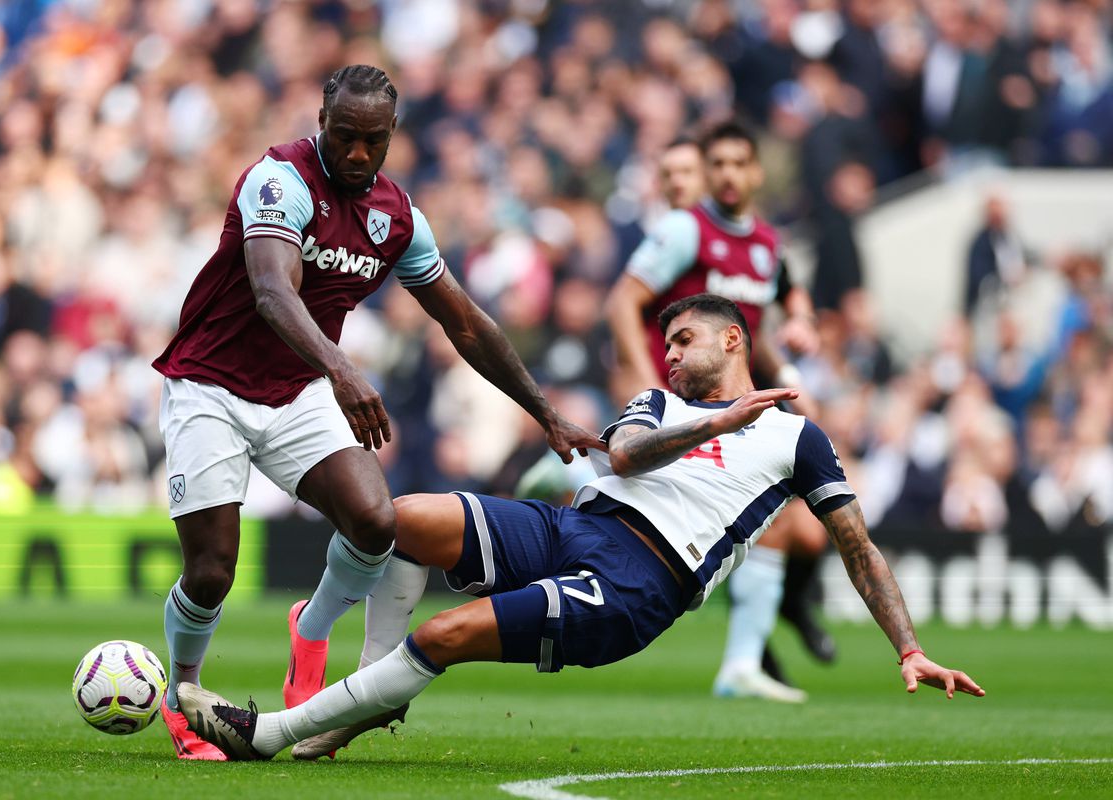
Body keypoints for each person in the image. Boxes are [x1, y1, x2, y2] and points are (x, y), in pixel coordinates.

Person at [174, 294, 985, 762]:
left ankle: (270, 733)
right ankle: (367, 692)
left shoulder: (794, 435)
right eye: (665, 342)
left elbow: (857, 545)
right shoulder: (662, 406)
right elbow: (627, 456)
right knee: (395, 518)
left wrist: (907, 646)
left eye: (684, 339)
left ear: (734, 339)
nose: (667, 354)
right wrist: (715, 421)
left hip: (641, 582)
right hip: (578, 526)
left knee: (451, 632)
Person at [151, 64, 600, 760]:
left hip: (296, 390)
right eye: (344, 136)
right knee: (212, 571)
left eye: (373, 141)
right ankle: (186, 698)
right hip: (210, 386)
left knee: (375, 523)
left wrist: (545, 412)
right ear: (321, 121)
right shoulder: (279, 182)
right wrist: (342, 370)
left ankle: (313, 626)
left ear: (393, 135)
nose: (357, 153)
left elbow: (469, 325)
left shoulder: (398, 218)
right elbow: (272, 291)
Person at [605, 120, 830, 702]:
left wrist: (795, 345)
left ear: (756, 171)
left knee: (798, 531)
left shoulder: (765, 244)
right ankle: (752, 653)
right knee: (772, 524)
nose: (729, 175)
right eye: (719, 164)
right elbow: (623, 301)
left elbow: (773, 305)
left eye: (739, 163)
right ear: (709, 172)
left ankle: (762, 641)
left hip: (742, 402)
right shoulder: (687, 230)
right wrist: (649, 383)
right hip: (689, 403)